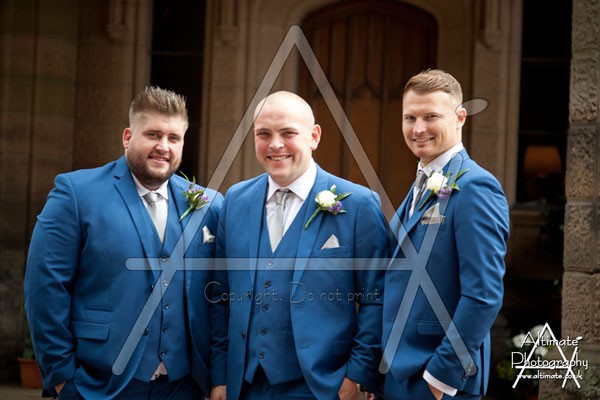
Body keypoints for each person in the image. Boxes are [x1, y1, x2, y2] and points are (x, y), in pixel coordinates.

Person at [24, 86, 223, 399]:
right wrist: (62, 378)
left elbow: (219, 295)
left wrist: (218, 375)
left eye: (174, 138)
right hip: (101, 384)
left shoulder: (208, 205)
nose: (163, 146)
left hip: (185, 387)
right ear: (128, 137)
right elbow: (45, 287)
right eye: (153, 135)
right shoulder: (76, 193)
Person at [209, 91, 389, 400]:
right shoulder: (236, 200)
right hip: (244, 385)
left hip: (322, 385)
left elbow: (378, 296)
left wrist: (357, 375)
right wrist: (220, 376)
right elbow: (219, 295)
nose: (275, 144)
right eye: (264, 134)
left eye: (288, 133)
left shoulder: (358, 205)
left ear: (314, 136)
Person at [381, 69, 510, 399]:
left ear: (460, 117)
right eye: (410, 117)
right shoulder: (421, 182)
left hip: (438, 378)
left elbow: (483, 294)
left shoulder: (475, 187)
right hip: (398, 374)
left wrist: (441, 376)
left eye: (431, 116)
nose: (418, 128)